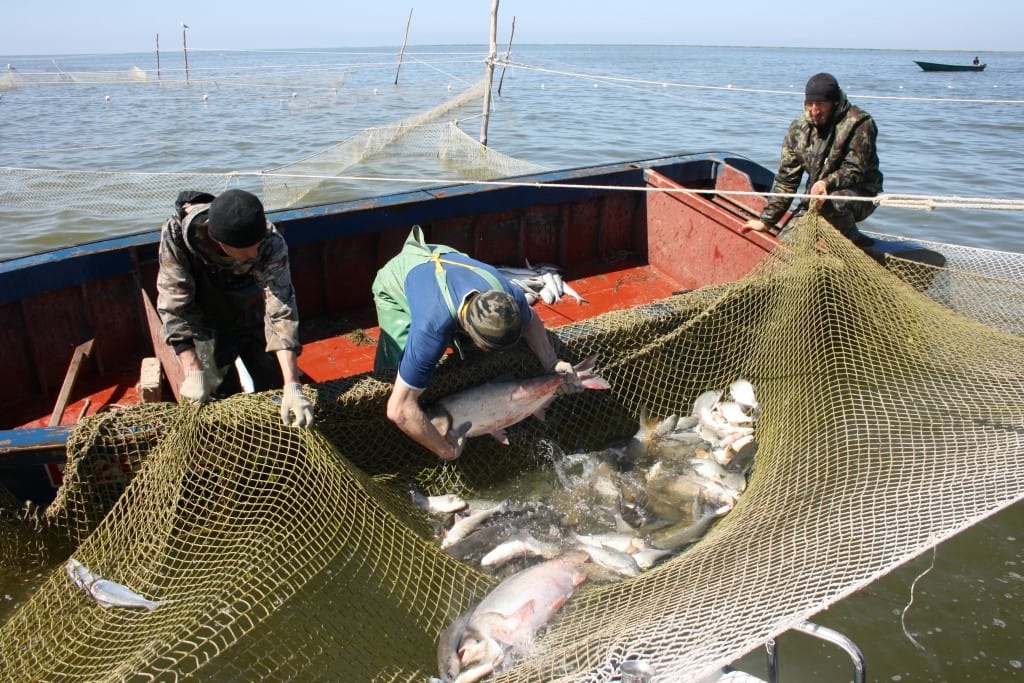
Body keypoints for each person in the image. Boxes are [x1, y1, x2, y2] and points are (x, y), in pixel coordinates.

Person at [372, 225, 581, 461]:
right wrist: (446, 450)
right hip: (400, 279)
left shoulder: (506, 294)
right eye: (491, 348)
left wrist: (553, 363)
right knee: (395, 378)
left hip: (444, 258)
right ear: (467, 329)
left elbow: (530, 322)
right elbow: (398, 410)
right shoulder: (431, 329)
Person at [156, 188, 314, 428]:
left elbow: (281, 309)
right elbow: (174, 303)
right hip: (205, 320)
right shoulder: (177, 235)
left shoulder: (269, 241)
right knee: (219, 392)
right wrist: (193, 370)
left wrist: (292, 383)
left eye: (256, 245)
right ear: (219, 242)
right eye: (243, 251)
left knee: (272, 380)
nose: (253, 254)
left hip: (252, 309)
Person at [744, 72, 883, 251]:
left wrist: (826, 183)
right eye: (810, 104)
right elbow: (786, 181)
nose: (815, 111)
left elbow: (854, 169)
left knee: (831, 204)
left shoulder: (860, 123)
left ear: (834, 103)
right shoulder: (798, 130)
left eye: (821, 104)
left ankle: (853, 243)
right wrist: (766, 222)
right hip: (816, 197)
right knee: (786, 242)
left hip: (860, 194)